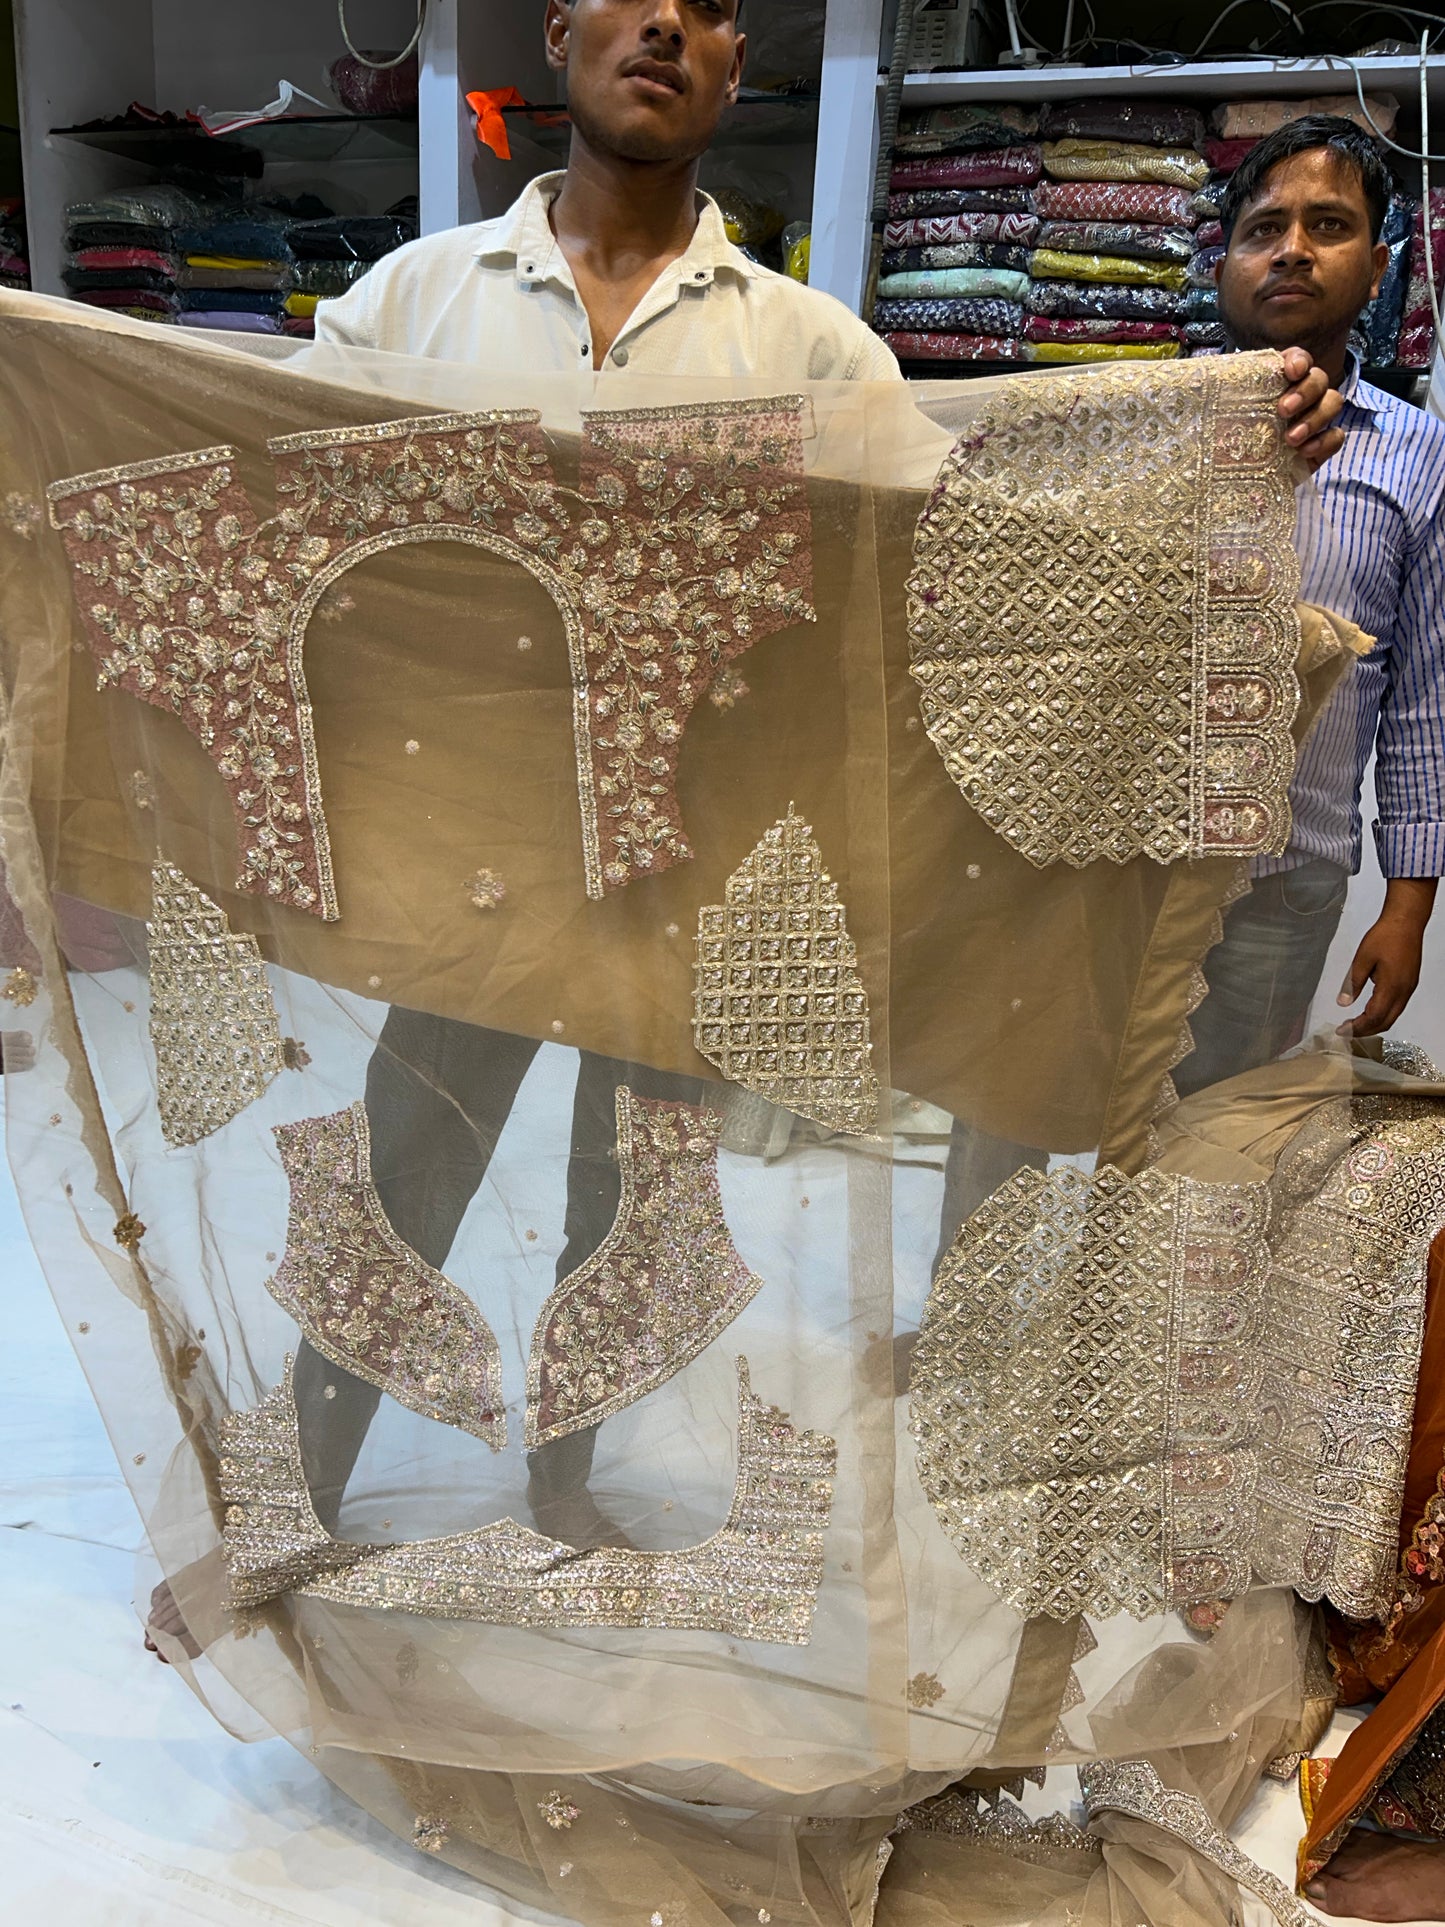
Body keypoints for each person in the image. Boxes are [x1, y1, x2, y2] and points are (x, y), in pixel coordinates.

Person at [144, 0, 1346, 1642]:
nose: (666, 25)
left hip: (693, 876)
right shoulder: (413, 305)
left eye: (711, 7)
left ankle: (569, 1474)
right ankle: (302, 1484)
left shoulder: (802, 351)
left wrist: (1213, 449)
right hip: (474, 865)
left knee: (634, 1190)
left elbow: (971, 539)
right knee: (404, 1173)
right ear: (557, 34)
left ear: (736, 66)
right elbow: (243, 471)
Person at [1176, 116, 1445, 1097]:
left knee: (1217, 1143)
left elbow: (1418, 700)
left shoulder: (1418, 456)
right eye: (1263, 227)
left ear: (1376, 267)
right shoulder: (1126, 424)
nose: (1289, 248)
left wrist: (1406, 906)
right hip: (1099, 868)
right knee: (1024, 1133)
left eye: (1326, 225)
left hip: (1280, 882)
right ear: (1224, 263)